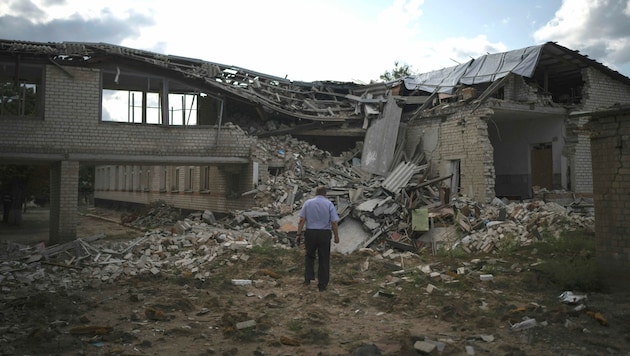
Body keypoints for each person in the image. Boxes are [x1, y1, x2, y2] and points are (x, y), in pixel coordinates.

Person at [296, 186, 340, 292]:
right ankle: (322, 284)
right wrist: (336, 236)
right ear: (326, 194)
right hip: (324, 234)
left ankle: (308, 279)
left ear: (316, 193)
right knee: (324, 259)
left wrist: (298, 234)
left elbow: (302, 220)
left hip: (311, 233)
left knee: (309, 256)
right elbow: (334, 222)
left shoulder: (308, 203)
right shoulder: (329, 204)